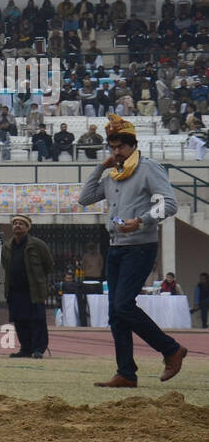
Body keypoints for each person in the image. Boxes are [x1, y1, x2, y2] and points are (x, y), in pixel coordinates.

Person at [79, 115, 186, 387]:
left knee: (124, 306)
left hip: (140, 246)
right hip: (115, 247)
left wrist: (140, 221)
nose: (116, 153)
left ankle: (171, 349)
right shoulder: (113, 173)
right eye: (112, 148)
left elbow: (170, 205)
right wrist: (100, 167)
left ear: (133, 145)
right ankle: (126, 373)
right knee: (116, 313)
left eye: (120, 148)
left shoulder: (149, 168)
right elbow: (85, 198)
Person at [0, 215, 53, 358]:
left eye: (21, 223)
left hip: (33, 290)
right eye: (15, 223)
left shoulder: (37, 244)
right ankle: (25, 349)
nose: (17, 225)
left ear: (27, 227)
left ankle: (38, 350)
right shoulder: (7, 246)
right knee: (20, 320)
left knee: (36, 320)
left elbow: (48, 265)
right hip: (15, 290)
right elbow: (6, 265)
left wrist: (38, 279)